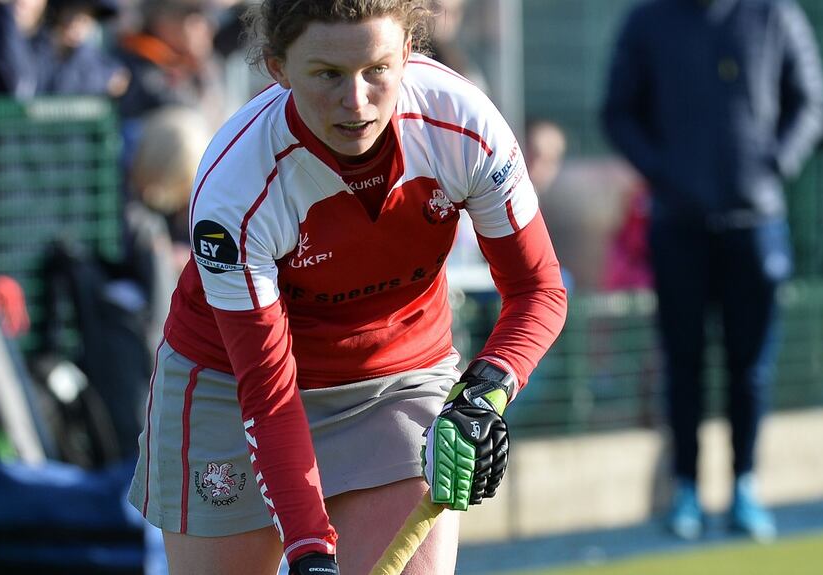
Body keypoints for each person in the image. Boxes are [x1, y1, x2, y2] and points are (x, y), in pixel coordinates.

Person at [126, 1, 568, 574]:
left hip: (395, 377)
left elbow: (539, 288)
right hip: (230, 385)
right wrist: (309, 552)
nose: (356, 101)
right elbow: (268, 390)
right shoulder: (234, 185)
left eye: (376, 70)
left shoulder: (463, 125)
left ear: (408, 53)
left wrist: (486, 391)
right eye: (328, 74)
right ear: (279, 69)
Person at [601, 0, 823, 542]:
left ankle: (745, 486)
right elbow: (618, 112)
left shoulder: (775, 15)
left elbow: (811, 102)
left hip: (757, 224)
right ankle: (685, 490)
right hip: (677, 225)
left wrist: (774, 164)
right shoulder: (648, 20)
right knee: (683, 365)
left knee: (750, 369)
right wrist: (663, 173)